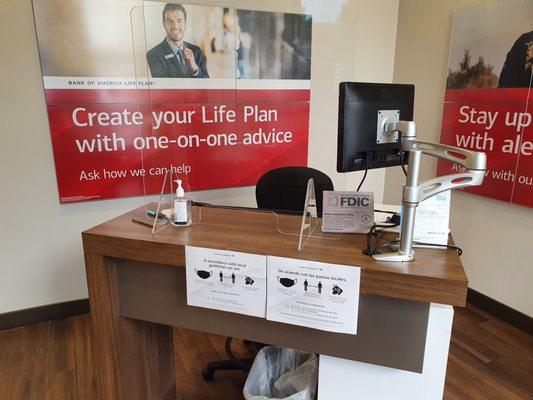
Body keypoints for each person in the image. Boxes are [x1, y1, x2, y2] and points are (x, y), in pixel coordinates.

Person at [146, 3, 209, 78]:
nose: (175, 26)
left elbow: (206, 85)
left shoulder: (197, 51)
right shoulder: (154, 54)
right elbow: (165, 87)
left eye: (179, 21)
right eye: (170, 21)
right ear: (164, 24)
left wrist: (194, 68)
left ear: (185, 24)